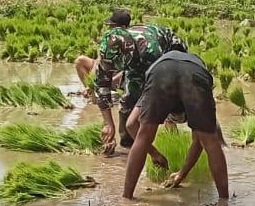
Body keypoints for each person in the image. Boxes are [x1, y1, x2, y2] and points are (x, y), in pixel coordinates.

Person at [122, 46, 228, 203]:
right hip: (194, 73)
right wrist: (181, 173)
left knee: (144, 134)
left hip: (161, 72)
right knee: (210, 141)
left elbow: (131, 124)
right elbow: (200, 142)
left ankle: (126, 198)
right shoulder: (195, 62)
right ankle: (224, 201)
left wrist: (155, 154)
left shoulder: (162, 64)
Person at [75, 9, 185, 153]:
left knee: (168, 104)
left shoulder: (150, 52)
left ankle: (172, 141)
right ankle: (128, 146)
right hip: (137, 60)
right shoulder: (108, 49)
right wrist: (109, 124)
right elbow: (103, 88)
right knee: (127, 102)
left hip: (170, 50)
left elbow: (154, 88)